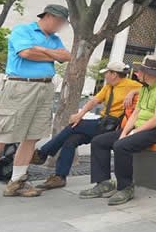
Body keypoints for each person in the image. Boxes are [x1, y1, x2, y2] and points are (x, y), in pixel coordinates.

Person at [0, 4, 72, 209]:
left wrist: (41, 50)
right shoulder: (23, 30)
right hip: (19, 86)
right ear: (49, 16)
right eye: (60, 21)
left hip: (45, 88)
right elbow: (26, 53)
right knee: (1, 136)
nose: (61, 26)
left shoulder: (55, 39)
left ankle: (17, 181)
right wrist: (50, 54)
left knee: (32, 137)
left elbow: (66, 57)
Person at [80, 55, 156, 206]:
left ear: (148, 73)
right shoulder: (145, 88)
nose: (137, 74)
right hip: (138, 128)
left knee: (121, 145)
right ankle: (104, 183)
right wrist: (125, 133)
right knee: (99, 141)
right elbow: (136, 114)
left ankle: (125, 187)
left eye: (140, 71)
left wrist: (132, 134)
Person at [30, 61, 142, 190]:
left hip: (114, 125)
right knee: (70, 140)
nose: (105, 76)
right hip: (103, 122)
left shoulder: (130, 84)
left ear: (114, 74)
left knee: (73, 127)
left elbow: (147, 89)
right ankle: (60, 177)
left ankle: (42, 153)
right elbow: (94, 101)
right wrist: (80, 114)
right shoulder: (109, 87)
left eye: (106, 73)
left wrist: (133, 92)